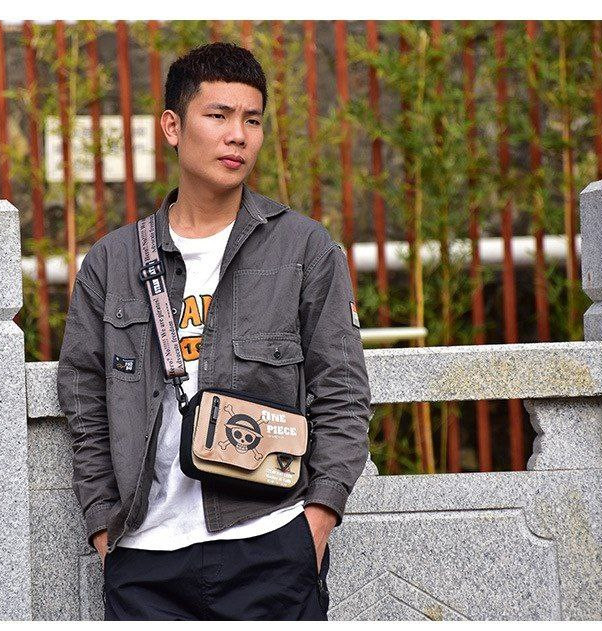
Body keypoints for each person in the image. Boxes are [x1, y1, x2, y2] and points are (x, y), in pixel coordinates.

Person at [57, 41, 372, 621]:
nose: (238, 136)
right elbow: (83, 396)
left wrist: (318, 520)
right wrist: (104, 527)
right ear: (173, 127)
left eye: (252, 120)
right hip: (144, 559)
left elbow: (343, 391)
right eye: (219, 115)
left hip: (269, 541)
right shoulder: (112, 262)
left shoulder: (304, 249)